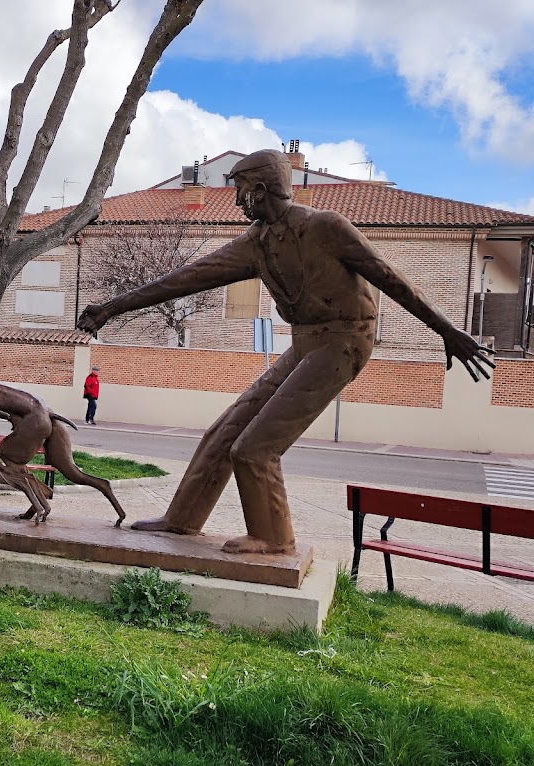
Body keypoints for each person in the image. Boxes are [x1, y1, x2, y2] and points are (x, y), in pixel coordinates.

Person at [78, 149, 493, 555]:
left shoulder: (326, 227)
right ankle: (182, 519)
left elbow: (390, 276)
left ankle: (274, 537)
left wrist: (447, 330)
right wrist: (112, 308)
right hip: (304, 342)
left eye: (239, 190)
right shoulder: (256, 242)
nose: (236, 200)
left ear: (259, 190)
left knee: (255, 447)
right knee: (222, 434)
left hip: (345, 341)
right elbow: (186, 278)